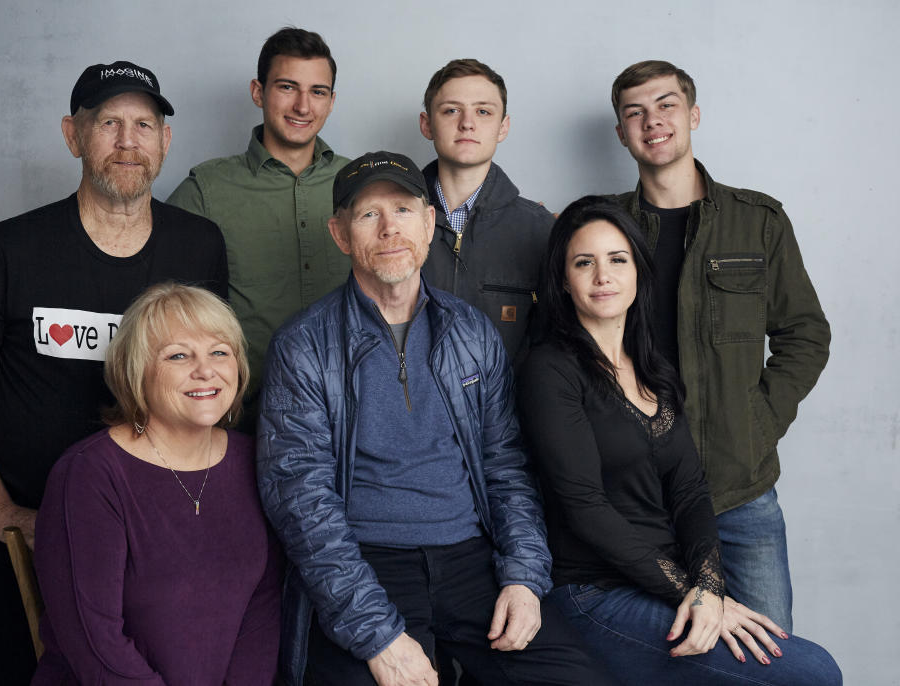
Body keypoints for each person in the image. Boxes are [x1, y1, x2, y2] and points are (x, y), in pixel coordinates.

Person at [257, 151, 614, 686]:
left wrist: (521, 577)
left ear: (429, 224)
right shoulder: (304, 346)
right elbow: (302, 502)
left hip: (471, 559)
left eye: (403, 210)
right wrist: (374, 632)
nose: (389, 229)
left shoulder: (469, 331)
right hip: (367, 564)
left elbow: (506, 465)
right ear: (340, 233)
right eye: (367, 214)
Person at [0, 61, 228, 685]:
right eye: (109, 123)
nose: (129, 141)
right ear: (73, 135)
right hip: (27, 536)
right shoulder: (11, 248)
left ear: (165, 141)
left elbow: (207, 388)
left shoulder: (199, 246)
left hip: (152, 548)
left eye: (144, 125)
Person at [517, 196, 841, 685]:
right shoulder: (551, 369)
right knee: (812, 672)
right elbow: (584, 506)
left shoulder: (654, 369)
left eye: (617, 260)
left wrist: (708, 587)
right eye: (584, 263)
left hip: (668, 582)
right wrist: (689, 593)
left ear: (638, 272)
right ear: (564, 280)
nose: (603, 276)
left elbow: (690, 492)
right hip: (594, 591)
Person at [607, 60, 831, 630]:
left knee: (770, 659)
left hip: (740, 496)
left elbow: (805, 333)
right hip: (641, 500)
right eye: (634, 112)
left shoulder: (757, 221)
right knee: (661, 658)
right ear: (621, 132)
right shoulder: (607, 229)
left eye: (666, 105)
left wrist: (756, 424)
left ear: (693, 115)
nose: (651, 121)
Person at [32, 283, 279, 685]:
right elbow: (94, 642)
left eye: (220, 351)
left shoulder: (255, 459)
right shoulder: (89, 474)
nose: (205, 369)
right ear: (136, 371)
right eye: (178, 355)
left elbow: (263, 609)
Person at [168, 27, 350, 431]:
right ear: (258, 92)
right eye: (287, 87)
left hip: (352, 419)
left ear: (332, 101)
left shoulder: (360, 184)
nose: (303, 106)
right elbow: (163, 312)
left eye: (318, 92)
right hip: (241, 423)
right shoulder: (207, 190)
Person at [419, 58, 552, 363]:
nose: (467, 123)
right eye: (451, 110)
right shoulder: (396, 223)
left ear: (503, 127)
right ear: (427, 124)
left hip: (506, 408)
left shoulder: (539, 229)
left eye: (483, 111)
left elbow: (555, 344)